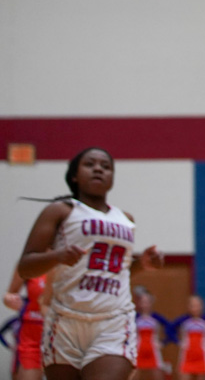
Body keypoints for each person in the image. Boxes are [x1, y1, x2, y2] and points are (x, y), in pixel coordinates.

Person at [16, 147, 165, 380]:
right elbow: (25, 267)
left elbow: (119, 270)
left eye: (106, 167)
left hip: (113, 322)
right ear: (74, 175)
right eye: (90, 164)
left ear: (112, 177)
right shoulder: (60, 211)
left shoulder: (126, 219)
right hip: (65, 321)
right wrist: (57, 256)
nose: (98, 169)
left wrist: (143, 263)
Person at [4, 268, 46, 380]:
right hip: (32, 336)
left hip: (64, 335)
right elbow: (9, 294)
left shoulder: (75, 261)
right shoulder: (30, 261)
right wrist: (10, 300)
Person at [172, 295, 205, 380]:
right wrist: (177, 341)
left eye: (197, 305)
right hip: (187, 356)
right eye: (192, 306)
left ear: (202, 306)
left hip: (203, 356)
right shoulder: (184, 320)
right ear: (188, 307)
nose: (195, 308)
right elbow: (169, 329)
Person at [132, 287, 171, 380]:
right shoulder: (135, 317)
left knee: (158, 374)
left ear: (151, 303)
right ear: (139, 303)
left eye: (147, 302)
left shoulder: (157, 318)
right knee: (134, 374)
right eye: (143, 302)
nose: (145, 304)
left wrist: (163, 342)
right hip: (139, 350)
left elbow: (171, 328)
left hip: (153, 350)